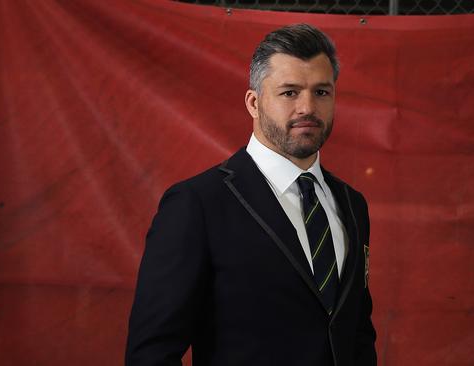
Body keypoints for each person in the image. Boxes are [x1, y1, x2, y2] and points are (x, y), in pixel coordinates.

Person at [125, 23, 377, 366]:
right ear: (254, 102)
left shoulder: (352, 204)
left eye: (321, 92)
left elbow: (358, 334)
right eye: (289, 92)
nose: (307, 107)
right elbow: (152, 353)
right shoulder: (197, 204)